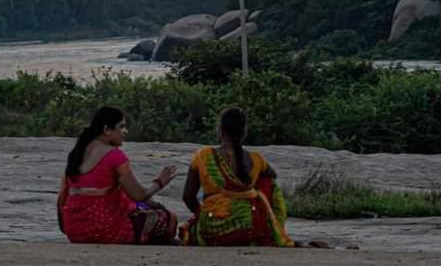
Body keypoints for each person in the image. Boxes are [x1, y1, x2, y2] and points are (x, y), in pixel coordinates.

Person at [57, 106, 179, 245]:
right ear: (107, 130)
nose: (125, 132)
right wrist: (159, 182)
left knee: (138, 206)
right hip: (105, 229)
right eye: (121, 127)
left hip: (75, 232)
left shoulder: (76, 154)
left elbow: (63, 198)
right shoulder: (115, 156)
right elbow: (139, 195)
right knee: (169, 218)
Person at [180, 108, 294, 247]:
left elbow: (188, 197)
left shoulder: (203, 156)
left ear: (220, 130)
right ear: (244, 132)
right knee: (268, 184)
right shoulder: (256, 159)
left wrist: (202, 213)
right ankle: (270, 230)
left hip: (212, 227)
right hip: (249, 228)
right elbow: (272, 177)